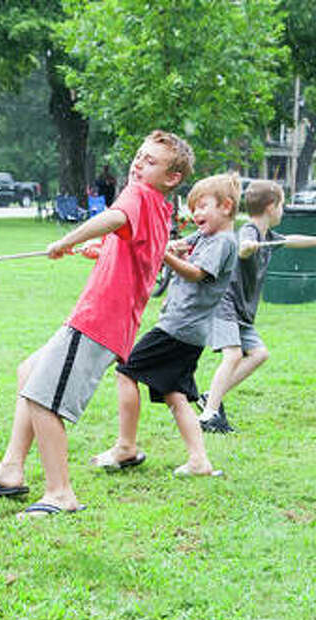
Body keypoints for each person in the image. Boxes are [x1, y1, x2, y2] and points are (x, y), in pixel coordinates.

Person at [0, 130, 193, 515]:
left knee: (42, 398)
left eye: (150, 161)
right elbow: (137, 250)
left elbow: (113, 217)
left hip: (99, 321)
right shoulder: (159, 207)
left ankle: (60, 493)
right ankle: (11, 469)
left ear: (172, 178)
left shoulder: (137, 196)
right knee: (29, 372)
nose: (138, 163)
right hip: (105, 321)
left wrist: (65, 241)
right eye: (139, 156)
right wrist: (100, 249)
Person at [95, 173, 238, 478]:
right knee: (175, 395)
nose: (196, 214)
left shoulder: (223, 241)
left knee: (125, 371)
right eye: (193, 208)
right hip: (187, 331)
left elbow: (196, 273)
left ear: (226, 207)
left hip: (179, 330)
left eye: (203, 207)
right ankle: (199, 461)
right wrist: (105, 250)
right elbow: (170, 246)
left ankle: (126, 446)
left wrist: (163, 253)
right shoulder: (205, 237)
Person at [198, 179, 316, 432]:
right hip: (225, 304)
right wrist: (247, 249)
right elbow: (242, 248)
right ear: (271, 207)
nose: (282, 210)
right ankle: (209, 415)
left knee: (259, 354)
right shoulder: (249, 232)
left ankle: (211, 396)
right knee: (233, 355)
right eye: (282, 205)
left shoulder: (267, 236)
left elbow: (291, 240)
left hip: (242, 310)